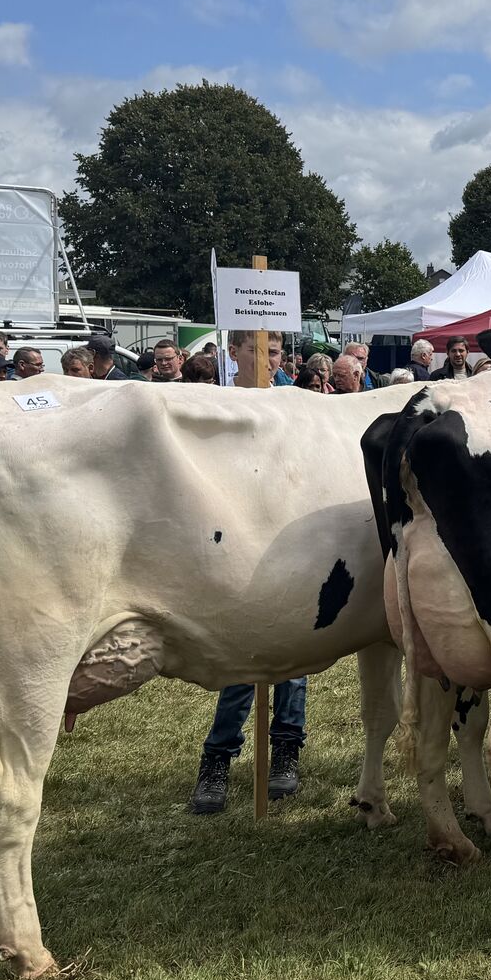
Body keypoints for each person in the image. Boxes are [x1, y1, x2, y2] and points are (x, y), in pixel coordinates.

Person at [189, 331, 308, 815]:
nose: (266, 360)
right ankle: (217, 758)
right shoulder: (216, 405)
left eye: (274, 352)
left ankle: (285, 749)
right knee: (244, 658)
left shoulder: (297, 405)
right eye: (255, 350)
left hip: (292, 542)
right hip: (236, 541)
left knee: (297, 658)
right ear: (232, 352)